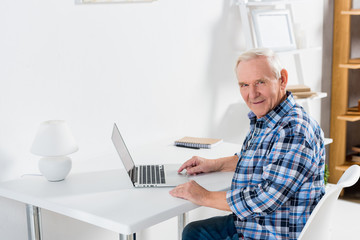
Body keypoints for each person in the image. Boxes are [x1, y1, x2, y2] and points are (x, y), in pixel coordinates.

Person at [169, 48, 325, 240]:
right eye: (244, 85)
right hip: (256, 223)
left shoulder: (294, 130)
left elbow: (266, 198)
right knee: (193, 231)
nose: (252, 94)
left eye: (260, 82)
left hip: (272, 232)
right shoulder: (269, 117)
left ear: (282, 79)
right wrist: (214, 164)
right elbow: (260, 159)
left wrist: (204, 196)